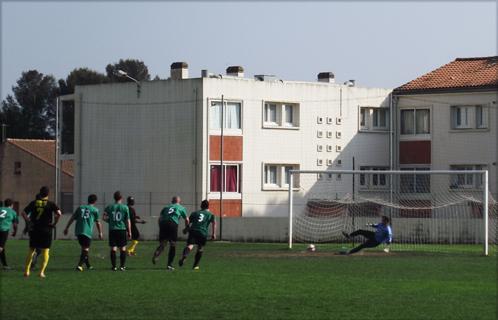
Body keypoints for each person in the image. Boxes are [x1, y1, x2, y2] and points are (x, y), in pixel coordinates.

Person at [22, 186, 62, 278]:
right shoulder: (51, 204)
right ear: (48, 194)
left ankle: (27, 271)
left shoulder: (33, 203)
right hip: (46, 230)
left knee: (31, 249)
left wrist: (28, 221)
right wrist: (54, 223)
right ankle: (41, 272)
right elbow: (59, 213)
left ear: (40, 193)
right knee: (45, 251)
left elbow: (23, 213)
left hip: (34, 229)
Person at [63, 194, 103, 271]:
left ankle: (88, 265)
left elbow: (72, 218)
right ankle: (79, 265)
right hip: (87, 231)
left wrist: (66, 228)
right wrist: (100, 232)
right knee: (86, 249)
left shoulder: (80, 208)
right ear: (95, 201)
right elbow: (98, 222)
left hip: (78, 231)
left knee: (84, 248)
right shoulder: (95, 210)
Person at [152, 196, 189, 271]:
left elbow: (160, 218)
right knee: (173, 244)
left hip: (163, 224)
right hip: (172, 224)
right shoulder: (181, 208)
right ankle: (169, 265)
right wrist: (186, 228)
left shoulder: (165, 208)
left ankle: (157, 253)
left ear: (172, 201)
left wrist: (160, 227)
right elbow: (187, 219)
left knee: (163, 243)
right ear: (179, 201)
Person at [179, 200, 216, 270]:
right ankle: (195, 266)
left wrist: (186, 229)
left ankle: (185, 255)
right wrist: (213, 234)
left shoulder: (195, 213)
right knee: (200, 248)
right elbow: (214, 223)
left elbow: (188, 221)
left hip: (193, 230)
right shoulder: (211, 214)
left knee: (190, 245)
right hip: (202, 232)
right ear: (208, 206)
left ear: (201, 206)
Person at [103, 191, 131, 271]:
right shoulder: (125, 207)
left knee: (113, 248)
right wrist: (129, 231)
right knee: (123, 248)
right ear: (121, 198)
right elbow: (128, 220)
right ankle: (122, 266)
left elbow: (104, 218)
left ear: (114, 197)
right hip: (122, 229)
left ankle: (114, 266)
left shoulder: (109, 207)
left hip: (112, 230)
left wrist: (110, 221)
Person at [0, 199, 19, 270]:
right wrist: (15, 232)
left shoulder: (0, 208)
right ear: (11, 205)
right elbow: (15, 225)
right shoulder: (13, 212)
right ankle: (5, 265)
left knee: (2, 248)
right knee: (1, 247)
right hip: (3, 230)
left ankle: (5, 265)